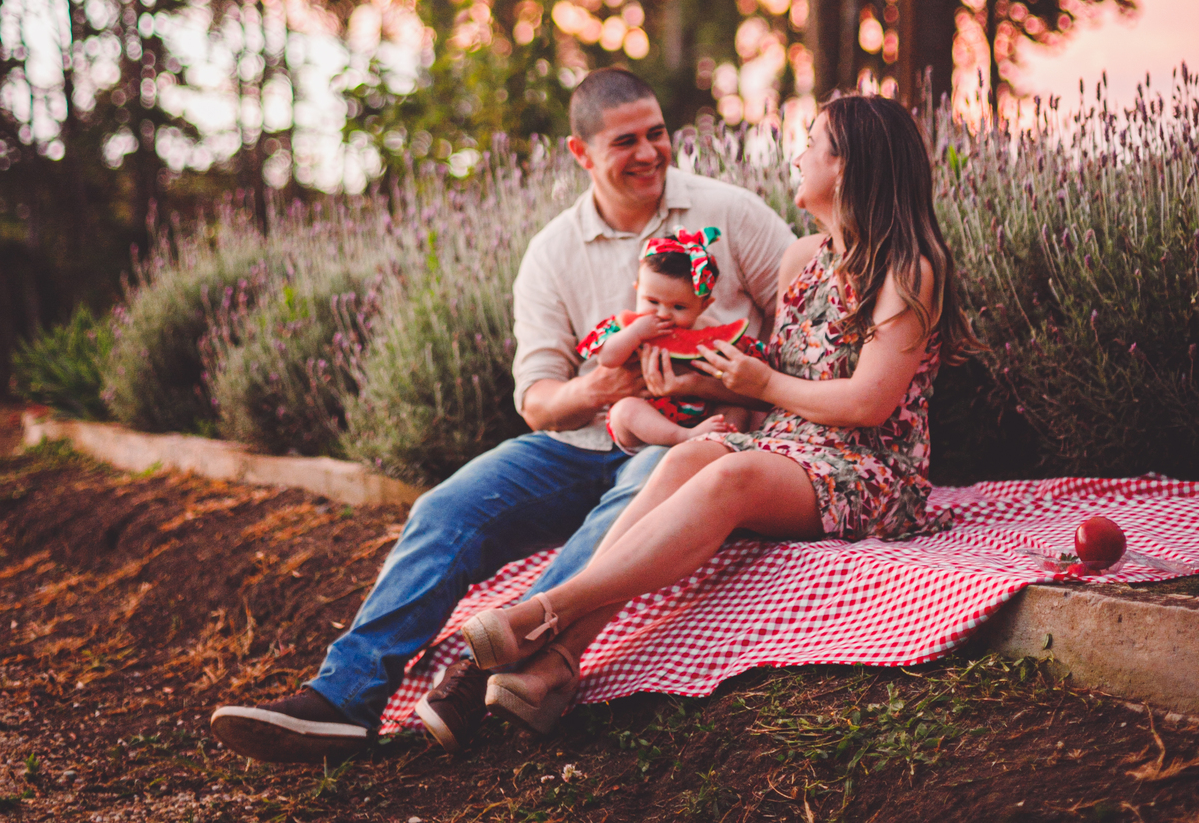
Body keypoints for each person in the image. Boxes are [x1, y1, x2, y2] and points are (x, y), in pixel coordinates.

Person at [209, 67, 795, 763]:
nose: (649, 153)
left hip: (689, 443)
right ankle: (343, 699)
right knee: (446, 509)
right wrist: (604, 388)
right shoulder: (552, 252)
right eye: (625, 141)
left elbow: (806, 334)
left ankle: (482, 671)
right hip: (580, 440)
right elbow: (538, 398)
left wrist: (723, 389)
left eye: (658, 133)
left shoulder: (730, 213)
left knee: (636, 495)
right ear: (581, 154)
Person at [459, 95, 974, 737]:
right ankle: (561, 658)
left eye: (811, 143)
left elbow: (869, 403)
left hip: (870, 471)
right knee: (689, 454)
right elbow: (786, 391)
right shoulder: (801, 260)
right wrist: (703, 380)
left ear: (845, 168)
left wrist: (762, 380)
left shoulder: (907, 270)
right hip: (793, 449)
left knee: (733, 477)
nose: (796, 155)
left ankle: (545, 612)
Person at [580, 229, 768, 451]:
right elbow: (607, 359)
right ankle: (683, 436)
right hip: (644, 426)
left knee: (737, 412)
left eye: (678, 307)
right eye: (652, 301)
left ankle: (721, 445)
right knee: (624, 410)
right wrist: (635, 334)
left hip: (704, 419)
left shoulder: (711, 330)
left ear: (703, 305)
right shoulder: (628, 327)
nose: (663, 314)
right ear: (637, 290)